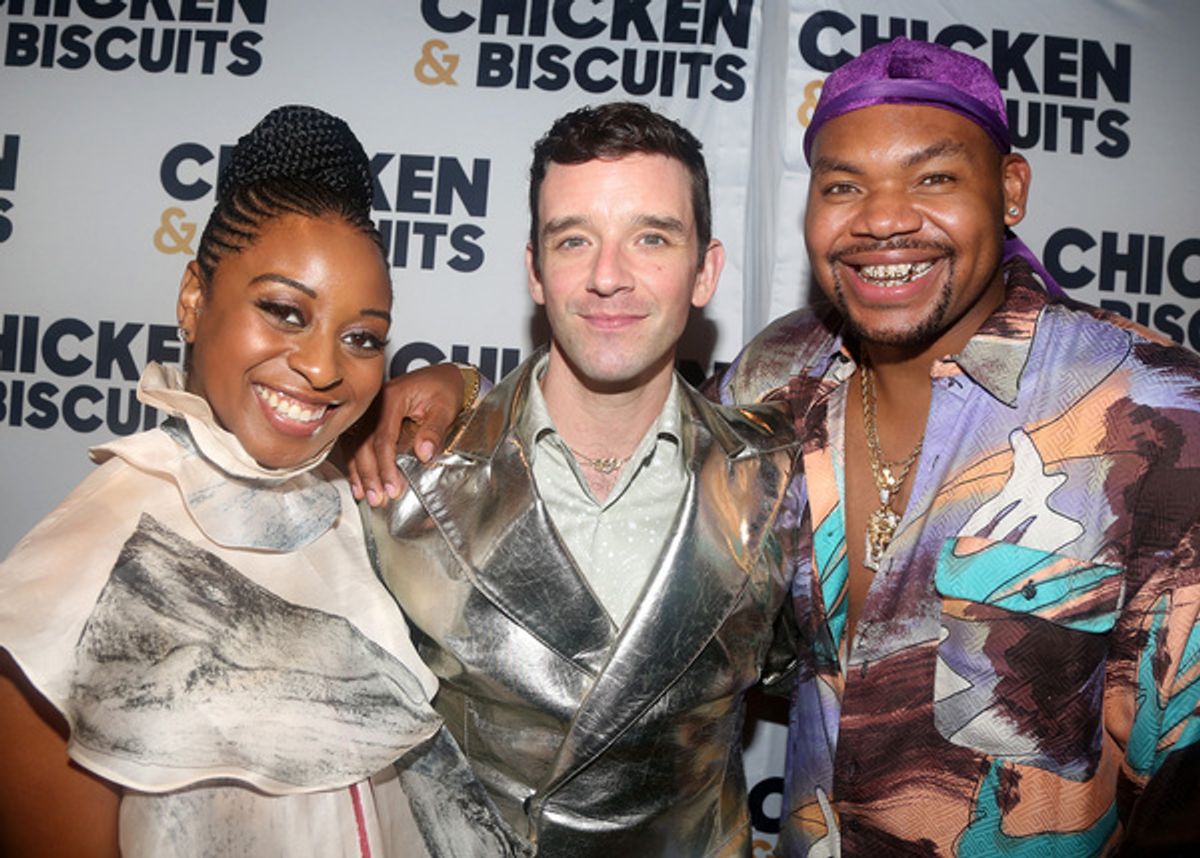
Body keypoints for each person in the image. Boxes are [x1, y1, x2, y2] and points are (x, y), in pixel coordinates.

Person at [0, 105, 527, 858]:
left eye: (362, 337)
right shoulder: (64, 594)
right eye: (283, 311)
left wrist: (459, 381)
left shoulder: (362, 492)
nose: (321, 367)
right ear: (192, 300)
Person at [716, 38, 1200, 855]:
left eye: (933, 177)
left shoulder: (1155, 407)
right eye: (843, 185)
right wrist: (460, 390)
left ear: (1009, 190)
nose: (882, 218)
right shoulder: (774, 377)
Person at [361, 101, 801, 856]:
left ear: (706, 271)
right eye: (574, 240)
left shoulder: (784, 484)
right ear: (534, 270)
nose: (607, 277)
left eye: (651, 238)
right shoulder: (402, 474)